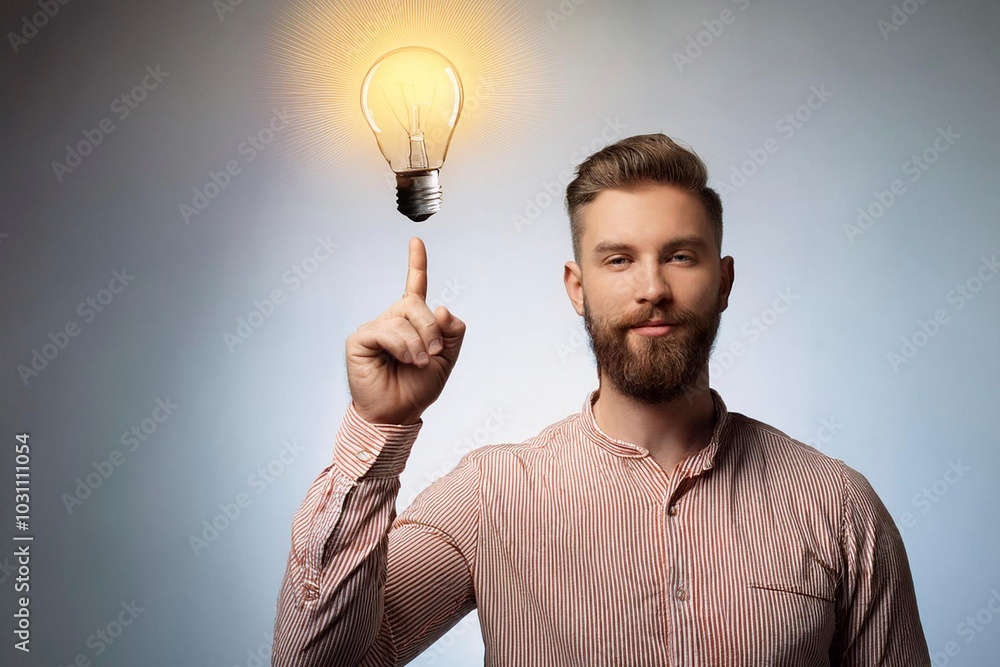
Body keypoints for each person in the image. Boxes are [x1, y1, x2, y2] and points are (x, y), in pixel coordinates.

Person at [272, 133, 931, 666]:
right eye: (618, 260)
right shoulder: (491, 496)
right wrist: (379, 425)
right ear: (577, 287)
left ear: (724, 281)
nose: (652, 289)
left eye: (680, 256)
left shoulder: (837, 505)